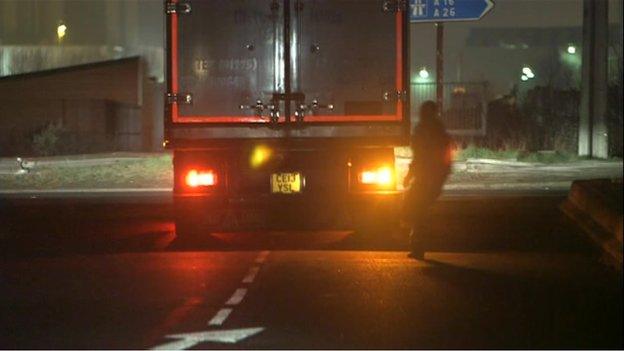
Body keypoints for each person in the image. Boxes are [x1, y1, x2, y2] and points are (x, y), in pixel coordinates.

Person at [402, 101, 453, 259]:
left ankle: (418, 246)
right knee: (419, 209)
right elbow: (445, 156)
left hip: (426, 177)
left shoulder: (423, 130)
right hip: (433, 177)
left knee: (416, 208)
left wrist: (410, 175)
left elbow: (419, 156)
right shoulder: (439, 130)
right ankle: (418, 245)